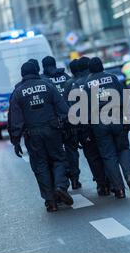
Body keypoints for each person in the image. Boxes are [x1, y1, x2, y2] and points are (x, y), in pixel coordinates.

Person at [9, 60, 73, 213]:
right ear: (36, 71)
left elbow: (15, 120)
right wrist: (66, 127)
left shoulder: (18, 92)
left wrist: (16, 141)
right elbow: (64, 110)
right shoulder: (48, 85)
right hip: (52, 130)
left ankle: (50, 202)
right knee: (58, 159)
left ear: (22, 74)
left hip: (32, 135)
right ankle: (60, 186)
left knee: (40, 166)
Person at [85, 57, 130, 199]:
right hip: (117, 119)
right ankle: (129, 176)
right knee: (123, 149)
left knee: (109, 156)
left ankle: (119, 189)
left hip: (99, 124)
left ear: (90, 69)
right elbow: (125, 99)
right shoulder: (113, 78)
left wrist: (88, 131)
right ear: (102, 66)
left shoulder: (87, 85)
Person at [64, 57, 110, 196]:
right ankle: (112, 181)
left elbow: (69, 109)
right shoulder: (93, 81)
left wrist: (74, 130)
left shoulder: (70, 84)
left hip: (83, 127)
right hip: (101, 121)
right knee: (106, 152)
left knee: (92, 156)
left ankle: (102, 184)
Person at [42, 56, 81, 190]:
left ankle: (62, 181)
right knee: (72, 150)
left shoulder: (43, 81)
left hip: (53, 123)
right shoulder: (66, 77)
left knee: (57, 154)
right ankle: (75, 179)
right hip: (69, 120)